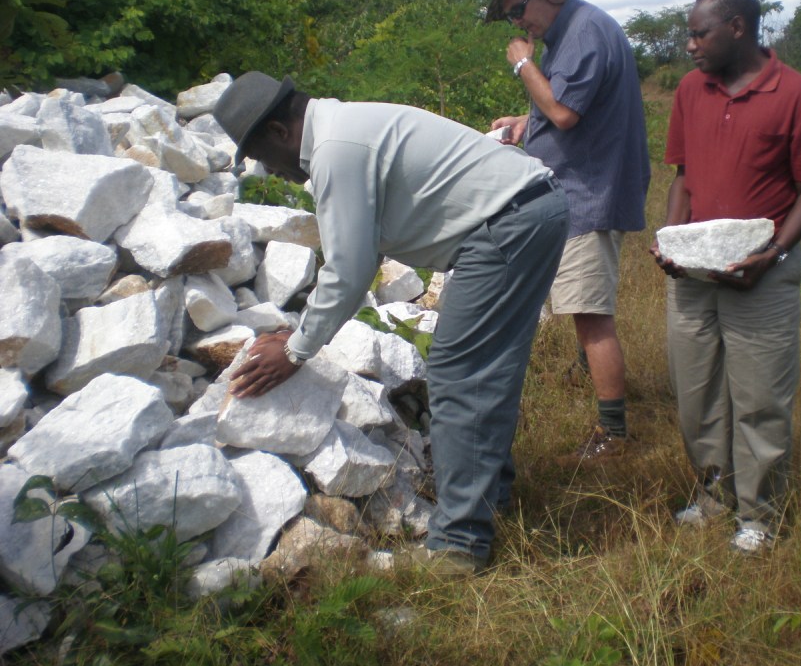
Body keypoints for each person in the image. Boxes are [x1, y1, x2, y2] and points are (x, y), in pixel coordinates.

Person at [213, 71, 569, 574]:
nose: (269, 170)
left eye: (262, 155)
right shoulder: (341, 127)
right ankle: (490, 501)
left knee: (460, 375)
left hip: (507, 223)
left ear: (278, 131)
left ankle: (459, 545)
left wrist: (295, 349)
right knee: (481, 372)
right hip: (525, 212)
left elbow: (351, 269)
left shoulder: (336, 149)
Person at [650, 0, 801, 553]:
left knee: (759, 398)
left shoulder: (796, 95)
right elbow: (683, 176)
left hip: (761, 272)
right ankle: (713, 495)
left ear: (737, 27)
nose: (690, 45)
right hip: (695, 275)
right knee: (697, 390)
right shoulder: (690, 89)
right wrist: (672, 243)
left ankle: (758, 515)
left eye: (699, 33)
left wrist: (773, 252)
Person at [485, 0, 650, 462]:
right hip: (575, 188)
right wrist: (523, 120)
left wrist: (521, 64)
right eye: (511, 16)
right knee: (579, 304)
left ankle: (613, 434)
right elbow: (556, 107)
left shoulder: (584, 32)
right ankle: (590, 377)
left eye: (519, 8)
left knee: (589, 313)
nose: (518, 23)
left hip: (589, 192)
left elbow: (563, 111)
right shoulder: (571, 33)